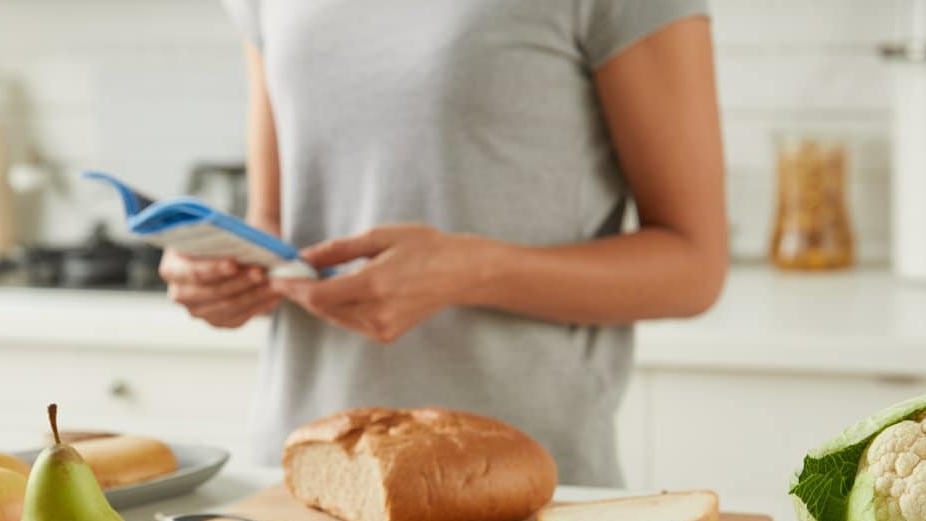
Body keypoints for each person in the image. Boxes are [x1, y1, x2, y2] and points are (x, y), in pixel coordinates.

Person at [159, 1, 726, 485]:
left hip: (517, 483)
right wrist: (225, 267)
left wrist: (472, 272)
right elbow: (279, 219)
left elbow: (694, 261)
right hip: (308, 472)